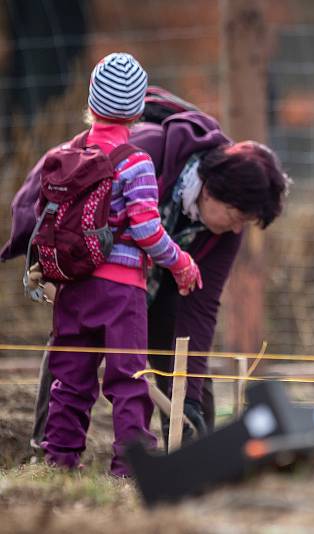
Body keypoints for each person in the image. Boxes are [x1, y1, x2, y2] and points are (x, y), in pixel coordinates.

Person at [3, 90, 292, 449]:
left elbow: (201, 307)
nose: (237, 229)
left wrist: (187, 398)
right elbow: (72, 198)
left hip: (160, 279)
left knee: (182, 364)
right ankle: (48, 450)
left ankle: (193, 452)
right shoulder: (150, 151)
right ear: (214, 190)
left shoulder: (225, 232)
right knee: (75, 351)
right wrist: (46, 258)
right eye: (236, 216)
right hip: (98, 262)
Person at [32, 53, 203, 476]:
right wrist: (181, 262)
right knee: (129, 379)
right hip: (121, 291)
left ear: (91, 102)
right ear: (139, 109)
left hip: (72, 286)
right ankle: (130, 468)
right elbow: (146, 230)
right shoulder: (135, 161)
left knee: (69, 378)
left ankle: (58, 460)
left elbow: (44, 216)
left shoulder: (64, 155)